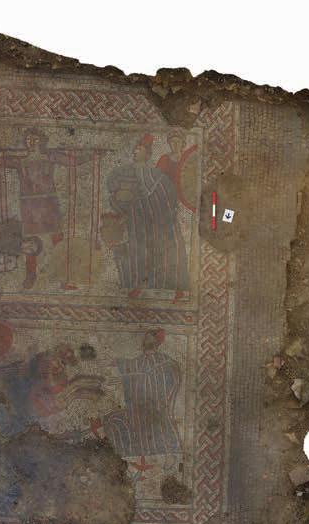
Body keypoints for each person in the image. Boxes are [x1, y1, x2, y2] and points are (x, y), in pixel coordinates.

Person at [0, 129, 90, 289]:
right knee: (29, 242)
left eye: (35, 139)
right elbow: (1, 162)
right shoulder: (20, 162)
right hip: (30, 207)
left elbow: (72, 162)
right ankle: (31, 275)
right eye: (29, 140)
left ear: (42, 142)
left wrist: (91, 156)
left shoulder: (51, 157)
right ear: (25, 143)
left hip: (49, 204)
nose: (32, 143)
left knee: (57, 241)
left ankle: (63, 278)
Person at [106, 134, 189, 300]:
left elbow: (168, 195)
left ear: (148, 153)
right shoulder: (125, 172)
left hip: (159, 219)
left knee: (168, 249)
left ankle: (177, 288)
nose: (135, 151)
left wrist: (165, 211)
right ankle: (138, 286)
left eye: (139, 148)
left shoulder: (156, 175)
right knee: (139, 251)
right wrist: (119, 199)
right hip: (138, 220)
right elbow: (117, 195)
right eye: (135, 149)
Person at [91, 329, 181, 458]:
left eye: (149, 338)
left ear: (157, 342)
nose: (146, 341)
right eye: (146, 338)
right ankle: (128, 453)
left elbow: (173, 377)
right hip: (137, 410)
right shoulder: (138, 361)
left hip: (155, 408)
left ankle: (161, 451)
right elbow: (126, 364)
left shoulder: (165, 361)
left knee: (156, 429)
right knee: (114, 420)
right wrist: (110, 363)